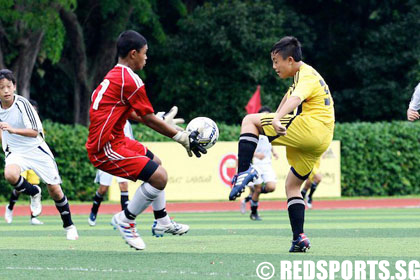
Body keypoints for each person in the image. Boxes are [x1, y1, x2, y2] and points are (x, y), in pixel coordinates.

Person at [86, 30, 206, 250]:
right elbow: (147, 120)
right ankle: (126, 220)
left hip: (117, 140)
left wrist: (160, 118)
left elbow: (133, 113)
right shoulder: (130, 80)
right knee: (160, 177)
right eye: (144, 53)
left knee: (156, 165)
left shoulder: (115, 75)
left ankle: (161, 221)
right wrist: (181, 137)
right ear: (133, 54)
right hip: (105, 147)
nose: (146, 57)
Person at [229, 36, 335, 253]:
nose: (274, 66)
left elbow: (295, 99)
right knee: (292, 186)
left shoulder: (306, 75)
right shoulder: (300, 77)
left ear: (289, 60)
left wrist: (275, 119)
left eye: (276, 61)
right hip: (321, 139)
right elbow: (288, 99)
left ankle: (243, 171)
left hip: (311, 128)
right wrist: (276, 116)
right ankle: (299, 237)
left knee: (250, 120)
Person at [0, 69, 78, 240]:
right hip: (16, 152)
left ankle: (69, 225)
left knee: (55, 190)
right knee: (10, 175)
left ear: (14, 86)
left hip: (36, 149)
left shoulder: (22, 104)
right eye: (1, 88)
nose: (5, 90)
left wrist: (13, 130)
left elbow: (35, 132)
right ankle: (34, 191)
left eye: (8, 86)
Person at [4, 99, 44, 225]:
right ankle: (10, 208)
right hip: (21, 158)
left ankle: (33, 217)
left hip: (34, 157)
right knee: (20, 188)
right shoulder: (19, 122)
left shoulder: (37, 124)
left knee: (34, 187)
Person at [88, 120, 134, 226]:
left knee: (123, 185)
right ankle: (94, 210)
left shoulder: (125, 122)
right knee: (103, 189)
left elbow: (130, 140)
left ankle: (124, 219)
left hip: (121, 157)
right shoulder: (105, 119)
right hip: (106, 158)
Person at [240, 106, 278, 221]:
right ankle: (254, 212)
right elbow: (247, 147)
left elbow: (270, 145)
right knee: (257, 188)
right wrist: (256, 155)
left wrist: (274, 152)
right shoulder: (255, 130)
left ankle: (249, 198)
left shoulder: (272, 130)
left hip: (267, 164)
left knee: (271, 187)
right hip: (257, 164)